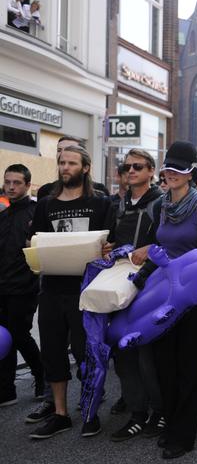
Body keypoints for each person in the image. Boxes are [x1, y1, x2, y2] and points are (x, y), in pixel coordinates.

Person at [133, 141, 197, 459]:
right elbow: (154, 247)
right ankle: (171, 424)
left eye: (177, 170)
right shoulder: (161, 207)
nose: (169, 174)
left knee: (188, 366)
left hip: (195, 300)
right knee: (163, 364)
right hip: (162, 296)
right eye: (167, 168)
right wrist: (142, 266)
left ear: (190, 174)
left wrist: (191, 272)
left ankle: (183, 436)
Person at [28, 145, 113, 440]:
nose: (65, 167)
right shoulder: (45, 205)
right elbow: (35, 243)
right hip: (51, 290)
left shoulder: (101, 204)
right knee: (52, 353)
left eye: (72, 163)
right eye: (62, 162)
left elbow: (111, 246)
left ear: (85, 168)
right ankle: (61, 414)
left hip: (86, 291)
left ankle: (90, 411)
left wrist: (107, 250)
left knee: (85, 353)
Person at [103, 149, 165, 443]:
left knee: (148, 355)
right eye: (126, 167)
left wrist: (150, 249)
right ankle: (137, 414)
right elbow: (115, 239)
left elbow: (171, 243)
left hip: (149, 286)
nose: (130, 171)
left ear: (151, 171)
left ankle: (161, 412)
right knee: (123, 352)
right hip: (119, 285)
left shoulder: (161, 203)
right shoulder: (120, 204)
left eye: (137, 166)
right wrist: (108, 247)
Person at [0, 164, 44, 406]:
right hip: (2, 286)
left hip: (25, 287)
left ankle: (41, 375)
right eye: (8, 182)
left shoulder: (36, 212)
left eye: (17, 183)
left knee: (18, 334)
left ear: (28, 185)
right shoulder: (2, 213)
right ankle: (6, 390)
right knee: (2, 337)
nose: (11, 187)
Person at [37, 136, 110, 200]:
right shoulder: (45, 191)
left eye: (70, 149)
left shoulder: (100, 193)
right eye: (59, 150)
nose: (63, 153)